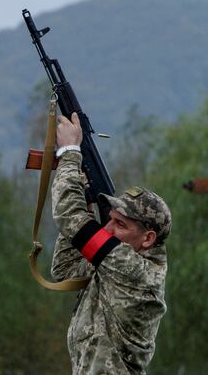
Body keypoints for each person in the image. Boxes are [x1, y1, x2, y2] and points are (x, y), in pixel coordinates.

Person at [50, 112, 171, 374]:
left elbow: (69, 217)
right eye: (110, 219)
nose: (107, 228)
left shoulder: (135, 271)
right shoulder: (112, 266)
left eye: (121, 225)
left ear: (148, 239)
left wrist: (70, 152)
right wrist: (85, 197)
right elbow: (65, 270)